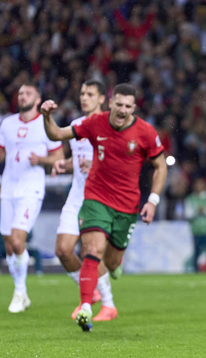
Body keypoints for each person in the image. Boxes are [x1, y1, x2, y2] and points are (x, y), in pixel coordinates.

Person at [40, 83, 167, 331]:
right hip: (96, 197)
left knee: (110, 261)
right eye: (118, 104)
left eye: (128, 106)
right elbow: (56, 134)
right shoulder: (94, 123)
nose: (122, 110)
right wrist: (47, 116)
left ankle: (112, 270)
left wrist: (152, 201)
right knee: (92, 249)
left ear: (134, 107)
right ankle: (86, 306)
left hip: (127, 205)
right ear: (111, 102)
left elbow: (160, 166)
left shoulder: (146, 132)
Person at [0, 83, 64, 313]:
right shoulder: (7, 124)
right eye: (20, 93)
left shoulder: (45, 124)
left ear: (38, 99)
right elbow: (1, 152)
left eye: (28, 93)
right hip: (9, 188)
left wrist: (42, 159)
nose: (22, 96)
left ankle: (19, 292)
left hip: (31, 189)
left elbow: (58, 156)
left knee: (18, 241)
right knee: (9, 245)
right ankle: (23, 294)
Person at [52, 80, 118, 322]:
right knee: (62, 250)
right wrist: (64, 164)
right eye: (82, 93)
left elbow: (122, 164)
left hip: (100, 197)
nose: (84, 98)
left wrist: (97, 166)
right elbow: (78, 160)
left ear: (102, 99)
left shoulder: (111, 126)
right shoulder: (76, 125)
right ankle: (91, 293)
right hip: (76, 195)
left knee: (91, 252)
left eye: (90, 94)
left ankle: (107, 305)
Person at [184, 178, 206, 273]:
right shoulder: (190, 198)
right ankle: (195, 271)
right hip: (196, 230)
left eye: (201, 184)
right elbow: (188, 214)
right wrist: (198, 211)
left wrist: (203, 211)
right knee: (196, 253)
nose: (199, 187)